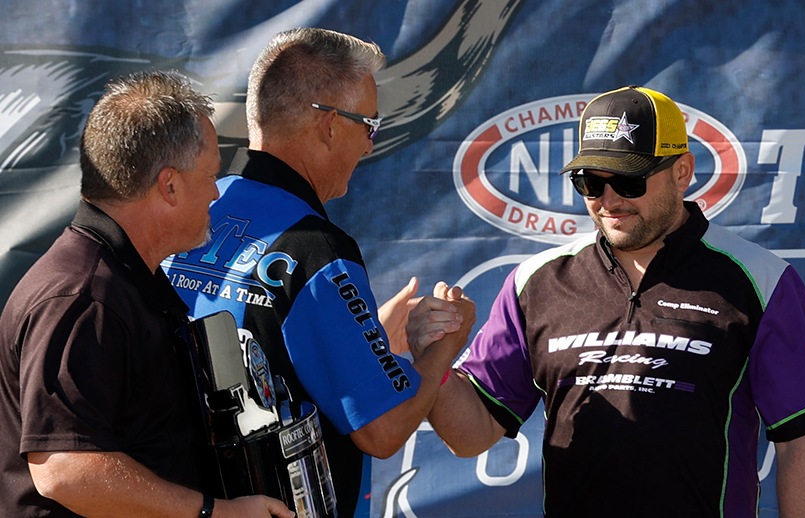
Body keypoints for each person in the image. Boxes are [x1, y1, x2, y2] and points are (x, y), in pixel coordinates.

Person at [424, 85, 805, 517]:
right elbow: (471, 436)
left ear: (682, 171)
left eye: (629, 181)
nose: (609, 201)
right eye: (590, 182)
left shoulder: (761, 279)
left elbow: (802, 440)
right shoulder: (536, 282)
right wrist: (436, 364)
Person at [161, 28, 475, 517]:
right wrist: (440, 354)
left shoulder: (198, 208)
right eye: (369, 125)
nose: (370, 146)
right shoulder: (317, 251)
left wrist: (367, 337)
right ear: (329, 125)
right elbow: (384, 428)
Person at [0, 71, 293, 517]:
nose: (216, 193)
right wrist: (215, 512)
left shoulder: (124, 277)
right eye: (212, 174)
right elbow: (63, 468)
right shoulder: (83, 299)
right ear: (169, 185)